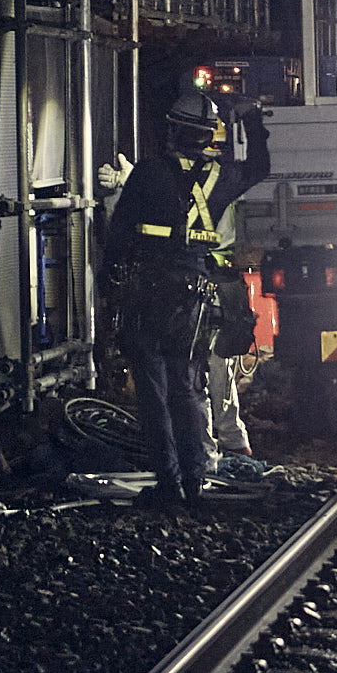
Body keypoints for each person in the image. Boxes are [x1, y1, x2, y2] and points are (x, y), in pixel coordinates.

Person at [102, 88, 270, 511]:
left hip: (147, 294)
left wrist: (107, 284)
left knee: (153, 393)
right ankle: (195, 480)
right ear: (208, 134)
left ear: (173, 129)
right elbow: (260, 166)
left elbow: (119, 233)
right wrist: (250, 120)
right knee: (186, 389)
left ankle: (169, 482)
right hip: (194, 299)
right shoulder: (221, 177)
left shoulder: (147, 172)